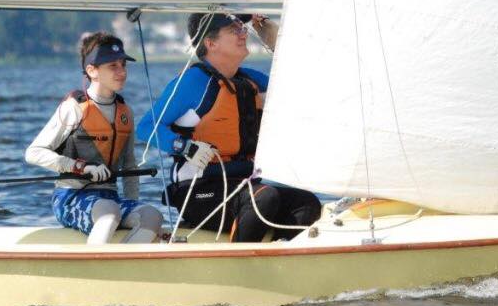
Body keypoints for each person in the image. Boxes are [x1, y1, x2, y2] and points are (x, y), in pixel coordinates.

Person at [136, 13, 320, 242]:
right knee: (264, 198)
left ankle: (278, 255)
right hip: (197, 191)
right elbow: (146, 127)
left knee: (306, 203)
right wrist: (186, 147)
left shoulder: (251, 81)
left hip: (242, 185)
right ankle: (239, 260)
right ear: (210, 43)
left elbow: (302, 86)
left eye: (243, 29)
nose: (244, 34)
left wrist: (276, 44)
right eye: (234, 31)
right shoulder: (192, 82)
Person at [26, 32, 162, 244]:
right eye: (113, 66)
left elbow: (129, 166)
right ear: (92, 71)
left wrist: (132, 207)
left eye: (123, 65)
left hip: (111, 199)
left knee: (152, 216)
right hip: (71, 197)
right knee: (109, 213)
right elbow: (33, 153)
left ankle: (123, 260)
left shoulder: (125, 112)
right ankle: (95, 261)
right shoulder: (74, 107)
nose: (122, 72)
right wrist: (80, 167)